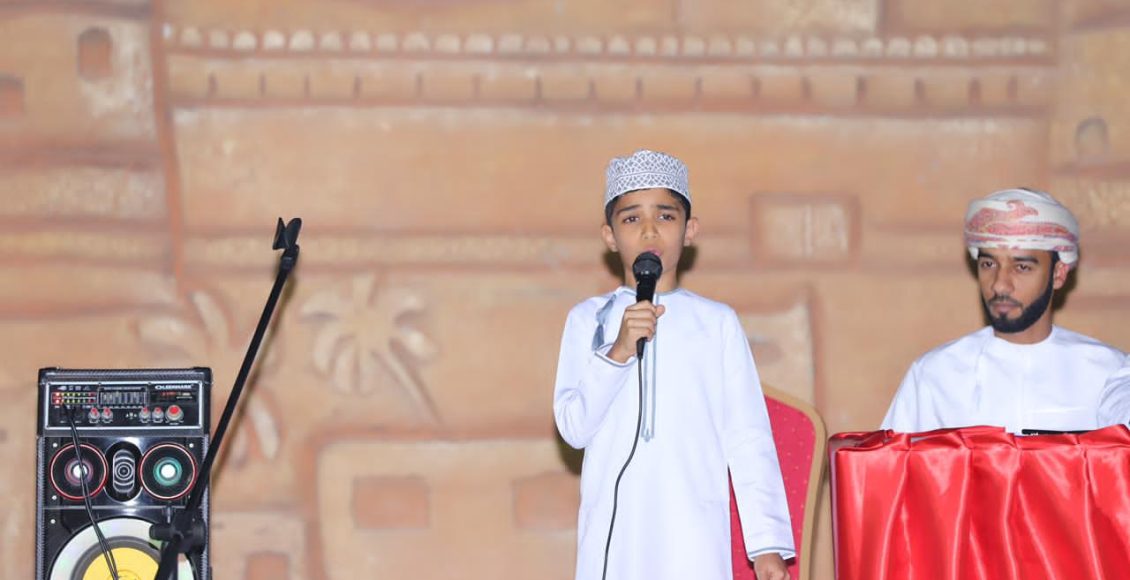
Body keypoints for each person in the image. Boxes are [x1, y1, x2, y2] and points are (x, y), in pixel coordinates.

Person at [553, 149, 794, 580]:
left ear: (690, 230)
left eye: (665, 216)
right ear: (610, 236)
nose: (649, 230)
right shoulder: (589, 320)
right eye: (632, 218)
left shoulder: (716, 323)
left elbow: (747, 435)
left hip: (693, 532)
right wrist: (618, 352)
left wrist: (767, 545)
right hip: (617, 537)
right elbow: (573, 427)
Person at [882, 188, 1125, 433]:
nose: (999, 284)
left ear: (1058, 274)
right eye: (989, 264)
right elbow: (891, 456)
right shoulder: (935, 375)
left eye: (1021, 267)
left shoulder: (1110, 374)